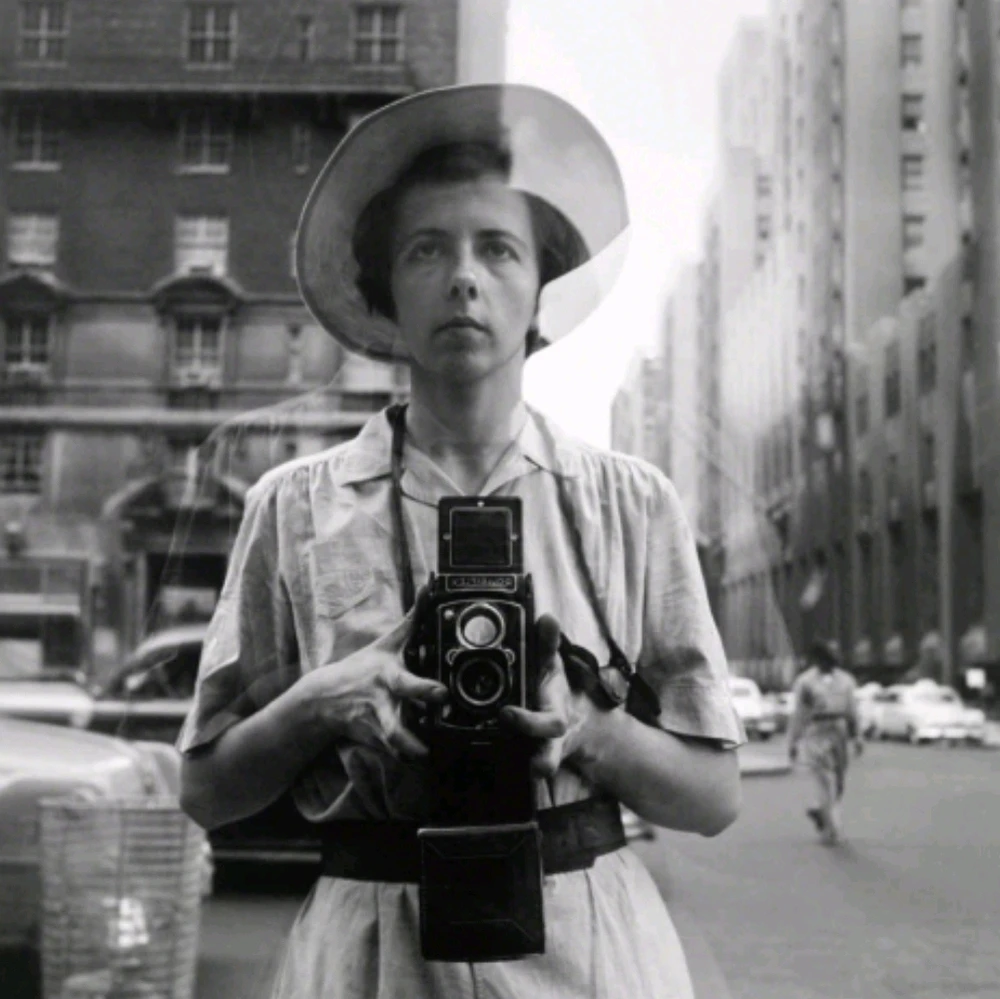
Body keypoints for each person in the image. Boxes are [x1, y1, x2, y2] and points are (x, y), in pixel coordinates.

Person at [177, 83, 746, 998]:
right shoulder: (292, 506)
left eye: (499, 248)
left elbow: (715, 797)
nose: (464, 277)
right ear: (385, 290)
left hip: (588, 948)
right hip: (370, 950)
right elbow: (205, 788)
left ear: (537, 289)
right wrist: (325, 701)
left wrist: (588, 731)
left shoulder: (630, 503)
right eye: (426, 249)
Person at [787, 639, 864, 845]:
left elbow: (852, 711)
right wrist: (793, 742)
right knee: (823, 779)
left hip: (838, 730)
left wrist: (857, 737)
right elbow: (799, 714)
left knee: (838, 781)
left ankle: (821, 811)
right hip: (816, 731)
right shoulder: (805, 683)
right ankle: (832, 828)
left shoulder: (846, 680)